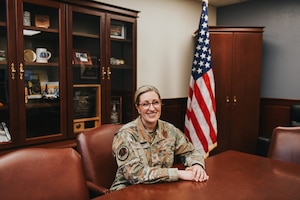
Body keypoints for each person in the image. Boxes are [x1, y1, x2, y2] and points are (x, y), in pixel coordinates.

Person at [110, 85, 209, 191]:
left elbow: (190, 152)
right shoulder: (126, 135)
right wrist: (178, 174)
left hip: (160, 188)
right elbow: (134, 174)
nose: (152, 108)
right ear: (138, 108)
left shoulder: (170, 130)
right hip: (128, 190)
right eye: (145, 104)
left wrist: (196, 165)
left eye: (155, 102)